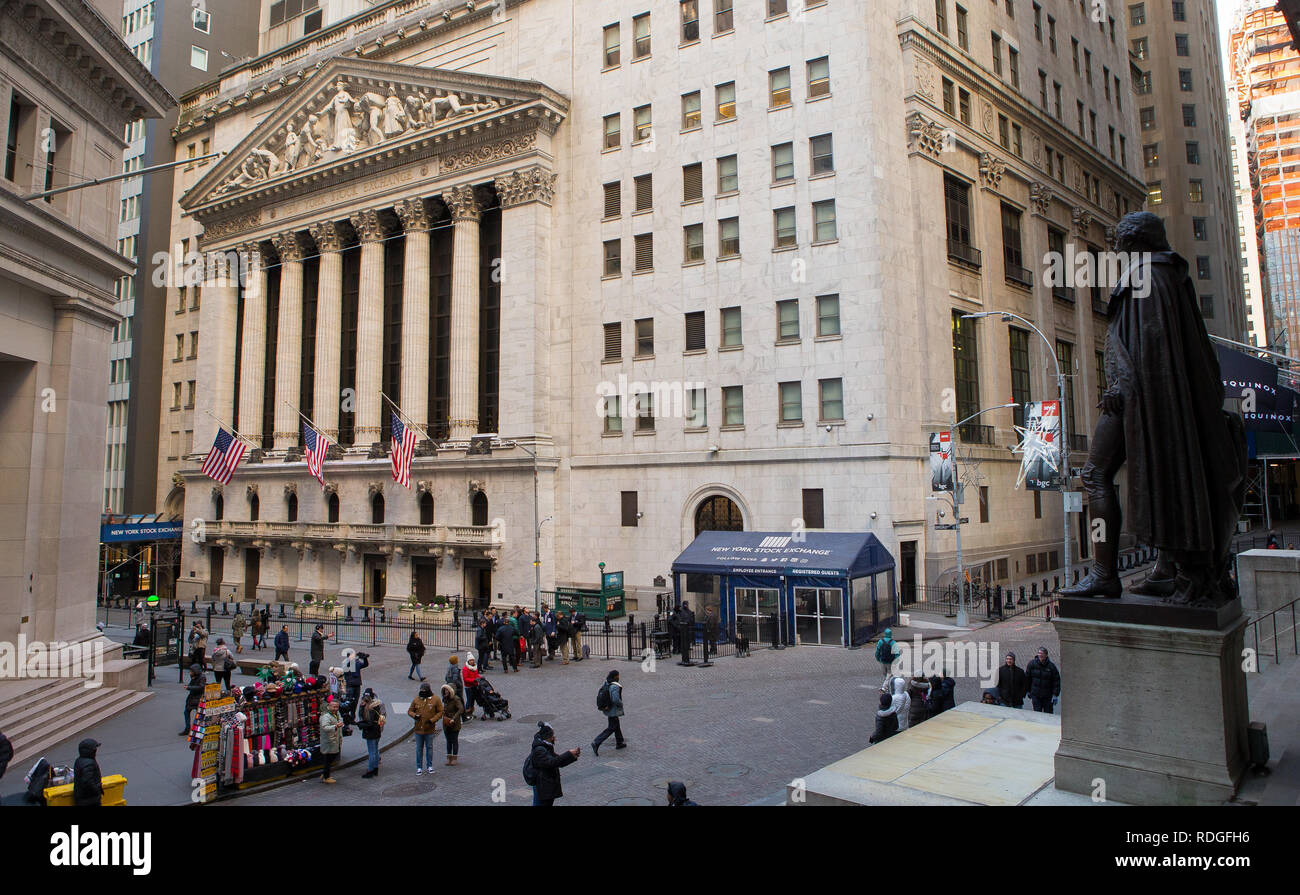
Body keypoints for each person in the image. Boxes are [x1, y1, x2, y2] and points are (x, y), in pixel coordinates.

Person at [1061, 211, 1245, 604]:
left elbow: (1142, 349)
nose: (1117, 249)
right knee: (1166, 469)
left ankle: (1103, 575)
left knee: (1095, 474)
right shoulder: (1170, 276)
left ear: (1132, 243)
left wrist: (1118, 387)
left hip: (1133, 397)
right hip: (1153, 399)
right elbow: (1156, 346)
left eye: (1120, 242)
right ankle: (1164, 570)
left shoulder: (1145, 276)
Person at [528, 721, 579, 807]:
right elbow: (551, 762)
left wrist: (572, 756)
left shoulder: (545, 746)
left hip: (546, 783)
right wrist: (569, 753)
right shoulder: (540, 749)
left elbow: (557, 760)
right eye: (552, 736)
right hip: (542, 785)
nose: (554, 738)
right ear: (547, 737)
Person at [407, 682, 443, 776]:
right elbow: (410, 711)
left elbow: (440, 712)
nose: (422, 693)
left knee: (429, 747)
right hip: (418, 729)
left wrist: (432, 720)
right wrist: (415, 716)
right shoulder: (416, 700)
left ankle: (429, 766)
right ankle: (419, 767)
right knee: (419, 749)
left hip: (429, 729)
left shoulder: (435, 699)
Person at [592, 669, 626, 755]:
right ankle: (597, 742)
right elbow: (615, 699)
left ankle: (619, 742)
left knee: (616, 725)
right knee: (612, 727)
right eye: (618, 676)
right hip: (613, 710)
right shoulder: (615, 686)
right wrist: (621, 704)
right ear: (615, 676)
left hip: (608, 708)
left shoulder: (607, 682)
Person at [357, 688, 386, 778]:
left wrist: (360, 724)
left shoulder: (368, 709)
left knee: (372, 752)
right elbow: (383, 715)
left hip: (371, 732)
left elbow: (366, 721)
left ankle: (370, 770)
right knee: (375, 750)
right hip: (377, 730)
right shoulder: (377, 705)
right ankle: (375, 768)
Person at [1025, 647, 1061, 714]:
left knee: (1048, 713)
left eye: (1042, 653)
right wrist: (1027, 690)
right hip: (1036, 695)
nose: (1040, 655)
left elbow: (1056, 681)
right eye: (1039, 653)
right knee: (1037, 713)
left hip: (1047, 696)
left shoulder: (1051, 667)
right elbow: (1027, 678)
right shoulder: (1032, 664)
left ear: (1046, 655)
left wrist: (1055, 694)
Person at [72, 738, 103, 807]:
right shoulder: (89, 764)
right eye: (95, 749)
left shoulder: (79, 760)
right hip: (90, 800)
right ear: (91, 751)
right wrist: (97, 790)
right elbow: (88, 782)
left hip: (82, 798)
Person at [319, 695, 342, 784]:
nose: (336, 708)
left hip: (334, 739)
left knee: (332, 756)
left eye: (337, 707)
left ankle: (325, 773)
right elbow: (325, 727)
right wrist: (335, 726)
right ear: (329, 706)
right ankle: (326, 776)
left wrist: (339, 722)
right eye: (334, 706)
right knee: (328, 758)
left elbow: (339, 718)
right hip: (329, 741)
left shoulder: (335, 713)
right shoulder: (326, 716)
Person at [440, 683, 463, 766]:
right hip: (446, 723)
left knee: (454, 740)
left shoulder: (456, 699)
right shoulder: (445, 699)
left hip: (454, 723)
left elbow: (461, 709)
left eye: (447, 690)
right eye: (444, 690)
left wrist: (454, 718)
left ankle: (454, 757)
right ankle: (448, 757)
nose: (445, 691)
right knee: (448, 741)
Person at [180, 663, 206, 735]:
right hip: (192, 698)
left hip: (197, 698)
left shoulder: (202, 677)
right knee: (187, 712)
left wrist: (189, 687)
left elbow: (201, 687)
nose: (190, 673)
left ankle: (196, 729)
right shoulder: (194, 677)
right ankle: (189, 728)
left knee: (197, 714)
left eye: (191, 671)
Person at [460, 654, 480, 721]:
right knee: (469, 700)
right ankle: (466, 713)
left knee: (472, 700)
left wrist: (480, 678)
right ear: (468, 661)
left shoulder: (475, 667)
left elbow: (476, 675)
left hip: (474, 685)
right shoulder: (465, 669)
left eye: (472, 660)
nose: (472, 661)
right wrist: (473, 680)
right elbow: (465, 679)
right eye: (470, 660)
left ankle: (470, 712)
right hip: (468, 687)